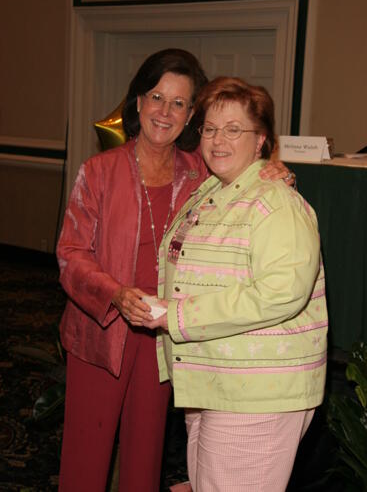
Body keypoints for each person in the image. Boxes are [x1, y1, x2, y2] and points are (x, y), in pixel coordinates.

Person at [56, 51, 294, 492]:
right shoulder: (99, 171)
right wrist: (113, 293)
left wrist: (274, 169)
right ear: (138, 103)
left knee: (146, 460)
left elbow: (251, 164)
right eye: (156, 97)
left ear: (190, 117)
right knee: (85, 460)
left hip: (167, 335)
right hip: (102, 331)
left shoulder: (203, 172)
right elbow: (71, 254)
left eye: (180, 103)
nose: (165, 112)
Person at [146, 77, 328, 492]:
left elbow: (281, 292)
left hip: (257, 391)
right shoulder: (211, 190)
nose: (218, 139)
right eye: (210, 128)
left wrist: (174, 315)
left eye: (234, 129)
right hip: (216, 379)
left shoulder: (275, 201)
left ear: (261, 139)